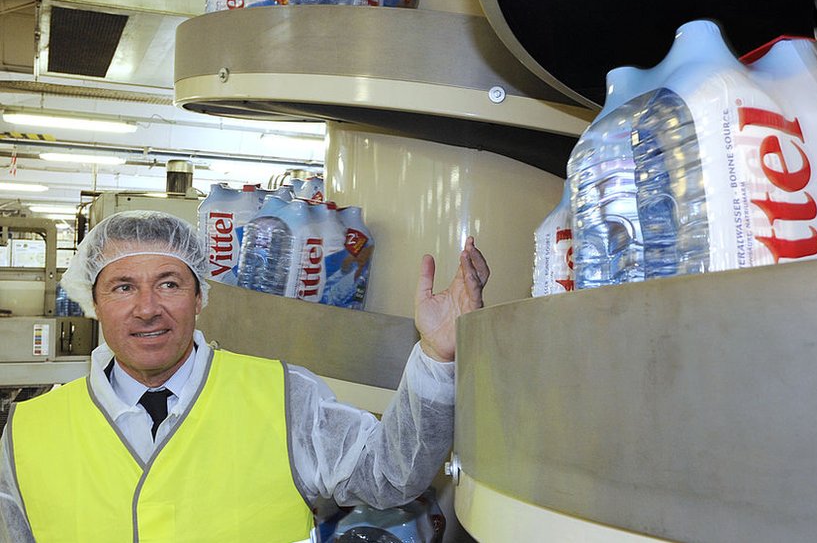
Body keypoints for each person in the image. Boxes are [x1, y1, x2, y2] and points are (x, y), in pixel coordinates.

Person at [0, 210, 489, 542]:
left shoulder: (284, 397)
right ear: (94, 302)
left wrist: (435, 355)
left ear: (199, 297)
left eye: (169, 284)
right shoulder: (27, 433)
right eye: (123, 287)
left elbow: (389, 476)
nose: (147, 308)